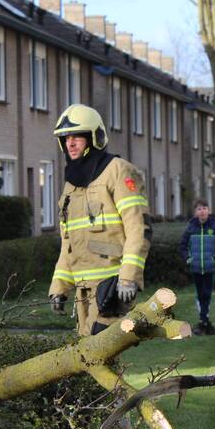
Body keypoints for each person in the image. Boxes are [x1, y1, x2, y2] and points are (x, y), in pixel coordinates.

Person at [48, 104, 152, 336]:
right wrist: (59, 287)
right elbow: (69, 243)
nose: (70, 144)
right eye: (65, 138)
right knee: (87, 356)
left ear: (94, 137)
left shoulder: (118, 171)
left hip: (112, 287)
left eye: (77, 137)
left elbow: (139, 229)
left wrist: (128, 277)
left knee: (100, 353)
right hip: (82, 291)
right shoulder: (71, 185)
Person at [179, 198, 215, 335]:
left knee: (207, 294)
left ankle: (203, 322)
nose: (202, 211)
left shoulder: (214, 226)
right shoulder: (191, 228)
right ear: (195, 212)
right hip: (195, 267)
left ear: (209, 211)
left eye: (205, 208)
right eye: (199, 209)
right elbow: (182, 246)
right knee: (200, 294)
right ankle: (205, 322)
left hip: (210, 267)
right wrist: (188, 259)